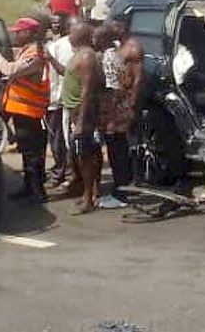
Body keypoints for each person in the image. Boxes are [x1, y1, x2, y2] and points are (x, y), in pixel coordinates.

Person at [0, 17, 50, 203]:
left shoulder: (34, 54)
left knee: (32, 155)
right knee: (27, 153)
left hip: (30, 112)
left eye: (19, 32)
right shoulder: (28, 50)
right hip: (22, 110)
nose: (15, 34)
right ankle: (29, 188)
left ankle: (36, 192)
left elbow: (10, 70)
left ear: (29, 33)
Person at [96, 16, 144, 209]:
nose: (111, 27)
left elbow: (138, 80)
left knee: (119, 148)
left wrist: (130, 104)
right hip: (114, 102)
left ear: (123, 27)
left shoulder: (133, 48)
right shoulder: (118, 46)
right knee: (114, 147)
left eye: (114, 25)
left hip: (122, 104)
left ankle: (122, 192)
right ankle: (121, 187)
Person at [59, 22, 101, 214]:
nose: (69, 36)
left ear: (80, 36)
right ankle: (88, 193)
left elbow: (87, 91)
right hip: (74, 110)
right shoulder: (79, 54)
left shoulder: (86, 57)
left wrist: (81, 121)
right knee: (80, 154)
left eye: (72, 33)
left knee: (85, 155)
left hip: (81, 111)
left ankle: (88, 198)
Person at [43, 14, 78, 187]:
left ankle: (72, 175)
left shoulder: (87, 48)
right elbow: (51, 76)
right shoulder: (57, 47)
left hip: (77, 102)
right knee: (57, 140)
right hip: (57, 100)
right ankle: (59, 172)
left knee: (72, 140)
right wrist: (51, 100)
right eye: (73, 27)